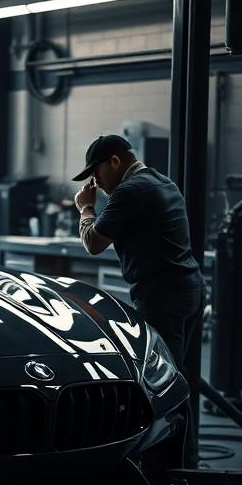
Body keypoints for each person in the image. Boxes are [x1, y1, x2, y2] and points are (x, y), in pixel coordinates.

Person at [71, 134, 204, 376]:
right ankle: (184, 415)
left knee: (162, 378)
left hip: (163, 297)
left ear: (114, 162)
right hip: (190, 289)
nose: (95, 181)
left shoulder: (129, 191)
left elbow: (93, 242)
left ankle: (170, 416)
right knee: (180, 373)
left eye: (96, 171)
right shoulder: (163, 181)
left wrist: (85, 208)